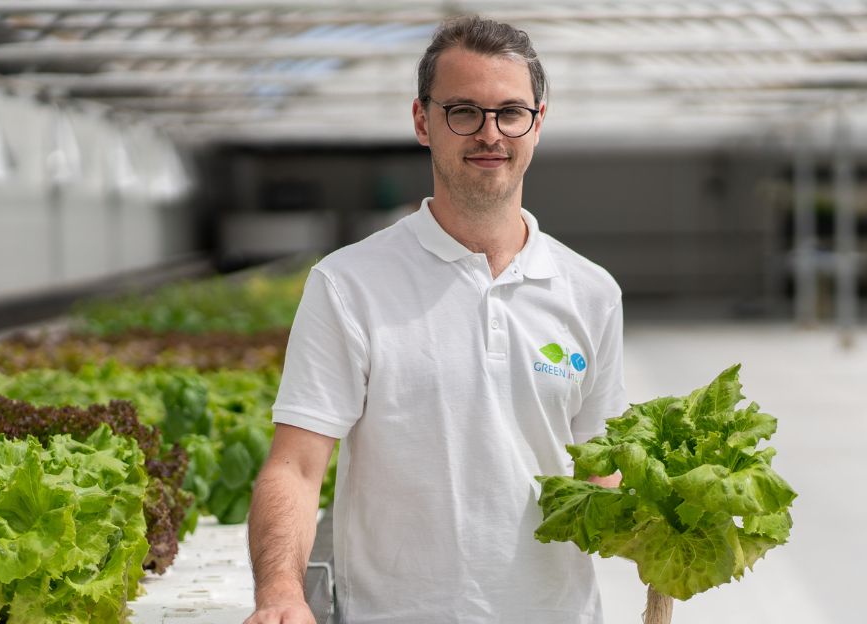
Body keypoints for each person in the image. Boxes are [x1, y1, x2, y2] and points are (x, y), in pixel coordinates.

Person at [244, 15, 626, 624]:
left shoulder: (591, 291)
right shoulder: (349, 284)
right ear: (423, 121)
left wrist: (669, 512)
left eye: (510, 112)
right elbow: (295, 465)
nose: (490, 133)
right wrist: (281, 594)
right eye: (463, 111)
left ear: (538, 123)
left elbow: (601, 463)